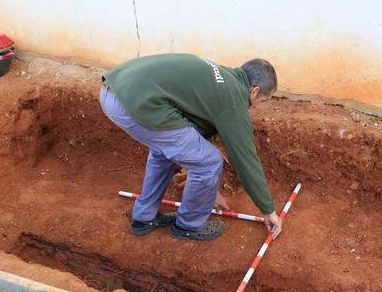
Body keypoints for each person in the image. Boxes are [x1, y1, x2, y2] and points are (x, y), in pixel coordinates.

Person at [99, 53, 282, 241]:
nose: (258, 106)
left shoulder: (222, 79)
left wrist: (211, 192)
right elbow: (245, 160)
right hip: (134, 104)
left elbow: (196, 137)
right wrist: (268, 210)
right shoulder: (233, 99)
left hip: (115, 90)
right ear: (254, 90)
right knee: (209, 162)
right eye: (263, 100)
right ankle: (188, 226)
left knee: (165, 152)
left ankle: (144, 218)